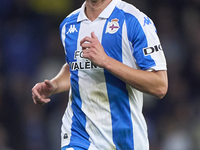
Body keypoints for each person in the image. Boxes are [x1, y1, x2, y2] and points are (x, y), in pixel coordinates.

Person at [32, 0, 168, 149]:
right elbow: (75, 67)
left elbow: (159, 85)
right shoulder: (68, 24)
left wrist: (106, 61)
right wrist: (54, 85)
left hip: (126, 138)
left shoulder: (134, 20)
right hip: (79, 133)